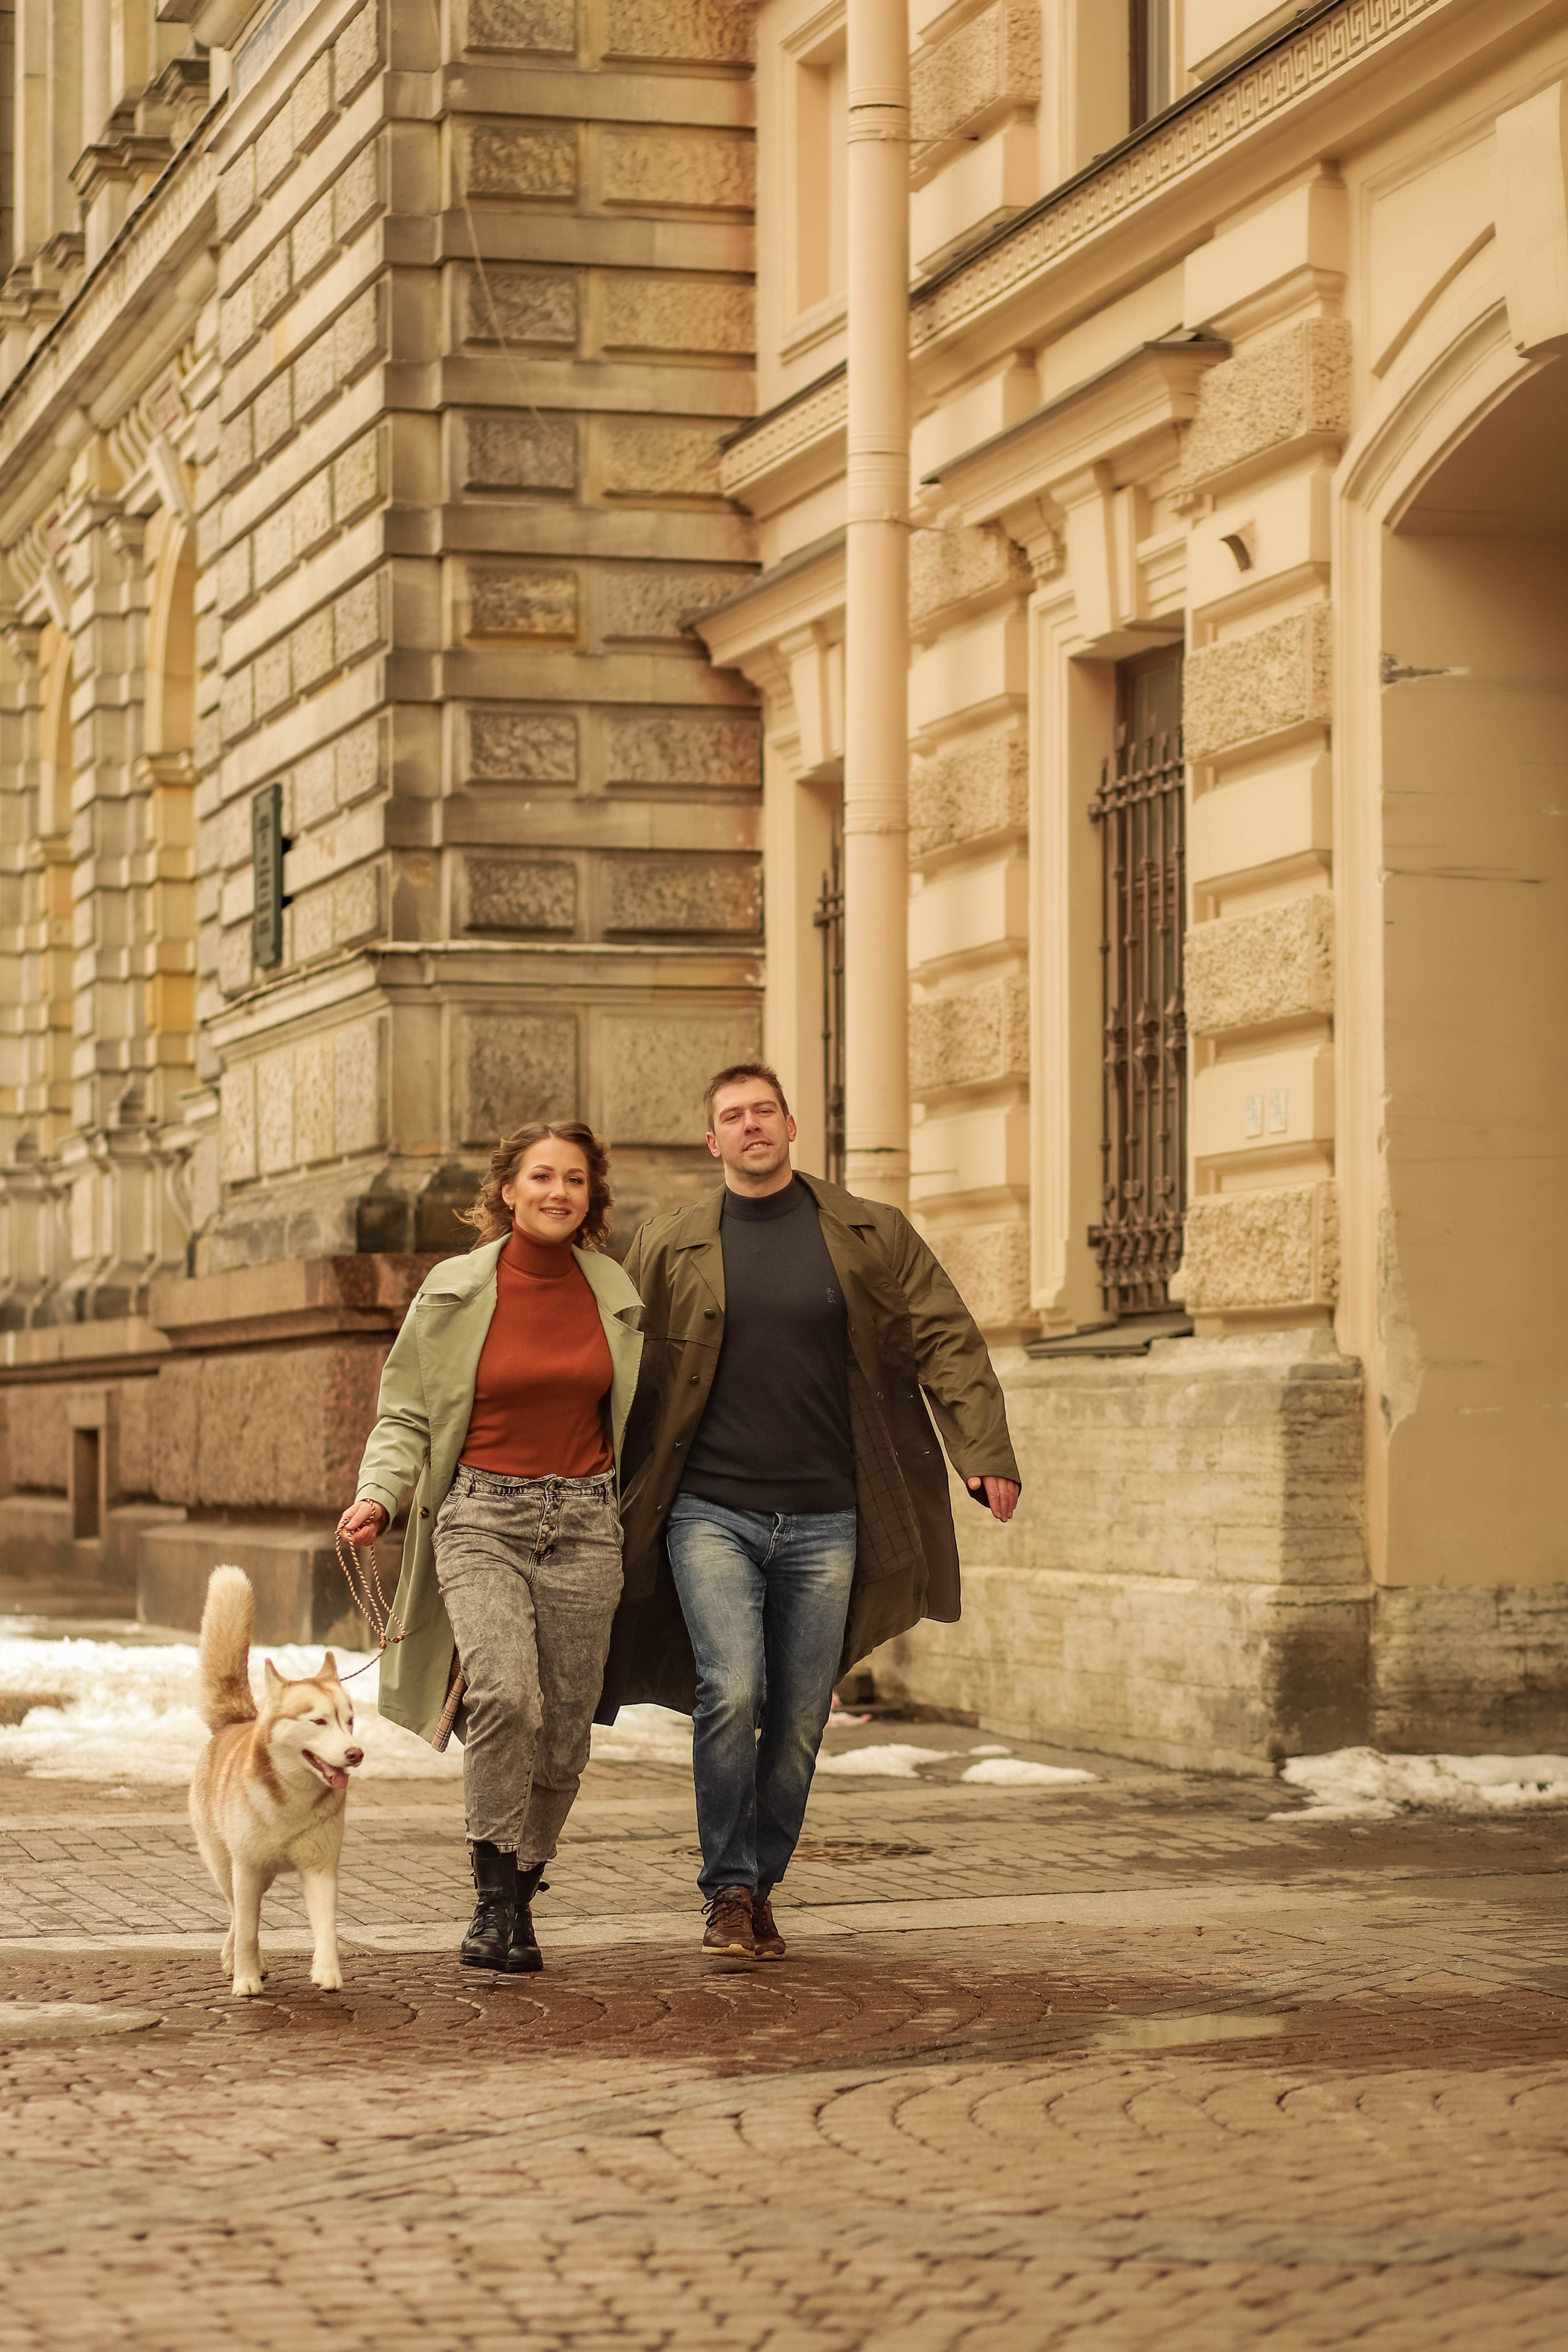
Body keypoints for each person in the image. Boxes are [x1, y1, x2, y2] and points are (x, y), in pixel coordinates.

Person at [612, 1061, 1020, 1962]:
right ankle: (726, 1890)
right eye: (733, 1116)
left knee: (799, 1716)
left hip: (829, 1515)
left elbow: (946, 1336)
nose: (751, 1125)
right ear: (711, 1141)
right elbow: (617, 1363)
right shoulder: (671, 1242)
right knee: (734, 1689)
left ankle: (759, 1882)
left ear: (793, 1127)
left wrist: (981, 1451)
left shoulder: (871, 1233)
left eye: (765, 1111)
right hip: (708, 1510)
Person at [336, 1123, 643, 1973]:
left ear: (591, 1198)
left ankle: (525, 1886)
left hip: (585, 1521)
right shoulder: (455, 1288)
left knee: (566, 1727)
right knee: (506, 1694)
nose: (557, 1192)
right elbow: (404, 1411)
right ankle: (491, 1899)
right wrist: (378, 1494)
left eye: (575, 1180)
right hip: (479, 1514)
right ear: (507, 1190)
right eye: (541, 1176)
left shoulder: (616, 1292)